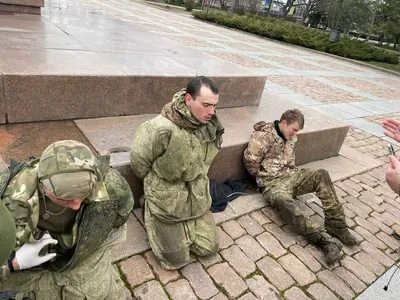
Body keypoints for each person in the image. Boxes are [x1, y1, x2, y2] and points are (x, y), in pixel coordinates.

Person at [0, 140, 134, 299]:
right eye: (65, 199)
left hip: (84, 256)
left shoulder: (112, 184)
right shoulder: (8, 195)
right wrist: (13, 264)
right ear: (44, 187)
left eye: (83, 195)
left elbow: (122, 215)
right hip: (26, 266)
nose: (76, 205)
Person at [130, 76, 224, 270]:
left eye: (214, 106)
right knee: (175, 261)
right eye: (206, 105)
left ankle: (188, 224)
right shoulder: (159, 128)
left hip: (196, 196)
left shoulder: (211, 126)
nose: (211, 112)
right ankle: (150, 206)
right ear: (189, 100)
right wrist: (157, 186)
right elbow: (139, 164)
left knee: (210, 248)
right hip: (166, 197)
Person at [243, 109, 358, 265]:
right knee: (283, 200)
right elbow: (251, 163)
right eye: (294, 130)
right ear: (284, 123)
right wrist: (264, 178)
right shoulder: (262, 137)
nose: (295, 134)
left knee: (321, 174)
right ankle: (323, 240)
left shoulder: (290, 136)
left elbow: (290, 159)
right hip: (272, 183)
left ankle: (336, 225)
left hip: (292, 175)